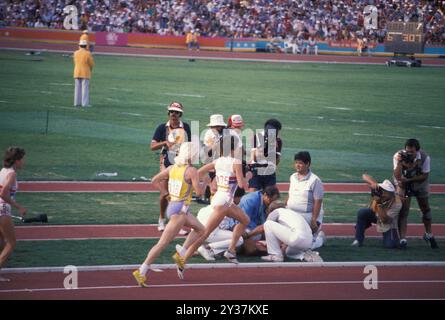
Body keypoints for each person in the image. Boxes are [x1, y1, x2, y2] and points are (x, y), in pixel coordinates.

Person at [173, 134, 250, 278]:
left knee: (245, 220)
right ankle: (182, 260)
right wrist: (248, 178)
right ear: (233, 148)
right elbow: (241, 185)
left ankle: (231, 250)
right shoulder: (236, 162)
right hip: (223, 202)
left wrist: (206, 182)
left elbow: (199, 172)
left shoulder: (218, 161)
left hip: (223, 200)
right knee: (204, 233)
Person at [132, 142, 207, 287]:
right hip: (179, 211)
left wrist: (165, 193)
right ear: (192, 154)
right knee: (162, 243)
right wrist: (204, 181)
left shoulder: (172, 168)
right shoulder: (191, 171)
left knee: (201, 229)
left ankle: (181, 254)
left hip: (176, 207)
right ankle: (141, 271)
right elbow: (199, 193)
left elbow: (154, 180)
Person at [151, 102, 191, 232]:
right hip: (167, 161)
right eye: (172, 112)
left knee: (179, 195)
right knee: (165, 193)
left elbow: (189, 146)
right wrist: (165, 143)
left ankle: (176, 222)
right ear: (168, 113)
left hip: (181, 163)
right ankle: (162, 218)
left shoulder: (186, 127)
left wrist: (189, 163)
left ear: (181, 114)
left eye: (177, 112)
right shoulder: (162, 128)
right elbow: (152, 146)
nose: (174, 114)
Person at [393, 138, 438, 249]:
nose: (409, 153)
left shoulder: (424, 157)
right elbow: (397, 176)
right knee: (404, 210)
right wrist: (399, 163)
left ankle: (428, 234)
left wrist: (409, 180)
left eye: (411, 151)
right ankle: (403, 239)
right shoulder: (397, 156)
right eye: (407, 151)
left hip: (419, 183)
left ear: (417, 151)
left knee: (425, 209)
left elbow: (424, 176)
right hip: (404, 184)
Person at [286, 151, 325, 250]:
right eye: (296, 163)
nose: (297, 165)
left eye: (300, 163)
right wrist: (284, 206)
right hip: (292, 213)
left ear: (308, 164)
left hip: (306, 215)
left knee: (305, 247)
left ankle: (319, 239)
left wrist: (314, 220)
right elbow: (290, 194)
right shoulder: (292, 177)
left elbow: (318, 201)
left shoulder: (315, 180)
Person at [195, 187, 246, 261]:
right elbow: (224, 226)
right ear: (237, 197)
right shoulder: (228, 206)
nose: (241, 200)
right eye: (241, 197)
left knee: (230, 238)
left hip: (197, 231)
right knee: (239, 239)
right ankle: (207, 248)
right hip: (209, 233)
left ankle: (204, 249)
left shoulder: (219, 199)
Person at [352, 174, 402, 248]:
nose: (382, 192)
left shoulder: (397, 203)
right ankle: (358, 240)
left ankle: (395, 238)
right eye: (383, 190)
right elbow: (364, 176)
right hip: (376, 215)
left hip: (388, 223)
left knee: (390, 245)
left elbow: (385, 220)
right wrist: (374, 183)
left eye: (385, 191)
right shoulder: (380, 190)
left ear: (390, 193)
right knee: (362, 212)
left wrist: (379, 203)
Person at [0, 147, 26, 281]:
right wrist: (19, 207)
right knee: (11, 243)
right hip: (2, 209)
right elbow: (3, 193)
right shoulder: (12, 174)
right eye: (22, 159)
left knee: (2, 242)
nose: (24, 162)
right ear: (16, 161)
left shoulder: (3, 171)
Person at [237, 185, 280, 255]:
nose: (271, 203)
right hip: (242, 226)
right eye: (271, 200)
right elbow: (243, 220)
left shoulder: (264, 201)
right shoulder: (250, 200)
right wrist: (258, 230)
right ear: (265, 195)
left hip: (254, 226)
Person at [248, 119, 282, 192]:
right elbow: (254, 157)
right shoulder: (257, 137)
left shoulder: (278, 141)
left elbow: (277, 160)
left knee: (271, 195)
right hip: (257, 169)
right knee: (253, 192)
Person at [73, 38, 94, 107]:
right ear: (86, 46)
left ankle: (76, 103)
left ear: (79, 45)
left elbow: (75, 62)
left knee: (77, 89)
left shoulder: (75, 53)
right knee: (85, 89)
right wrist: (90, 70)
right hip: (85, 72)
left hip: (77, 72)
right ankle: (84, 104)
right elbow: (91, 64)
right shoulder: (88, 53)